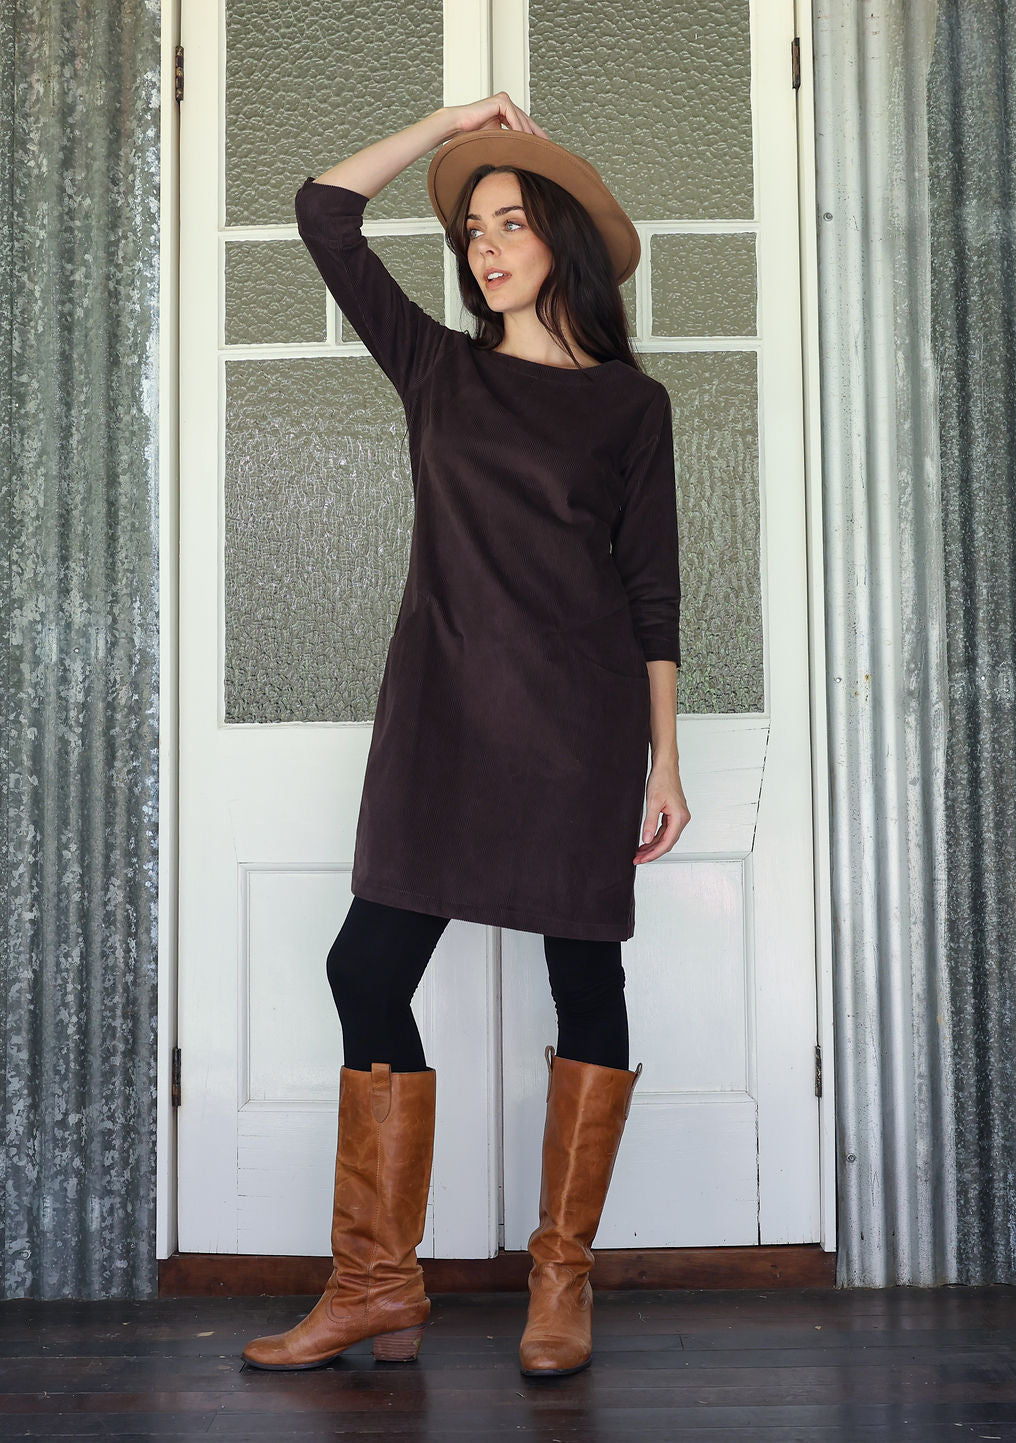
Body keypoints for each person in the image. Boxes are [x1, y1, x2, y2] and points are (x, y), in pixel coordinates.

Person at [241, 93, 690, 1380]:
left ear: (561, 241)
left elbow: (649, 590)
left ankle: (562, 1280)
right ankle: (378, 1283)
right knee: (366, 972)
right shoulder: (436, 366)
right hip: (441, 721)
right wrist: (444, 124)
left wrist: (663, 756)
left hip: (578, 727)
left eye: (511, 222)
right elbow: (325, 213)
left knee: (584, 979)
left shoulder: (628, 410)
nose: (487, 247)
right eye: (473, 228)